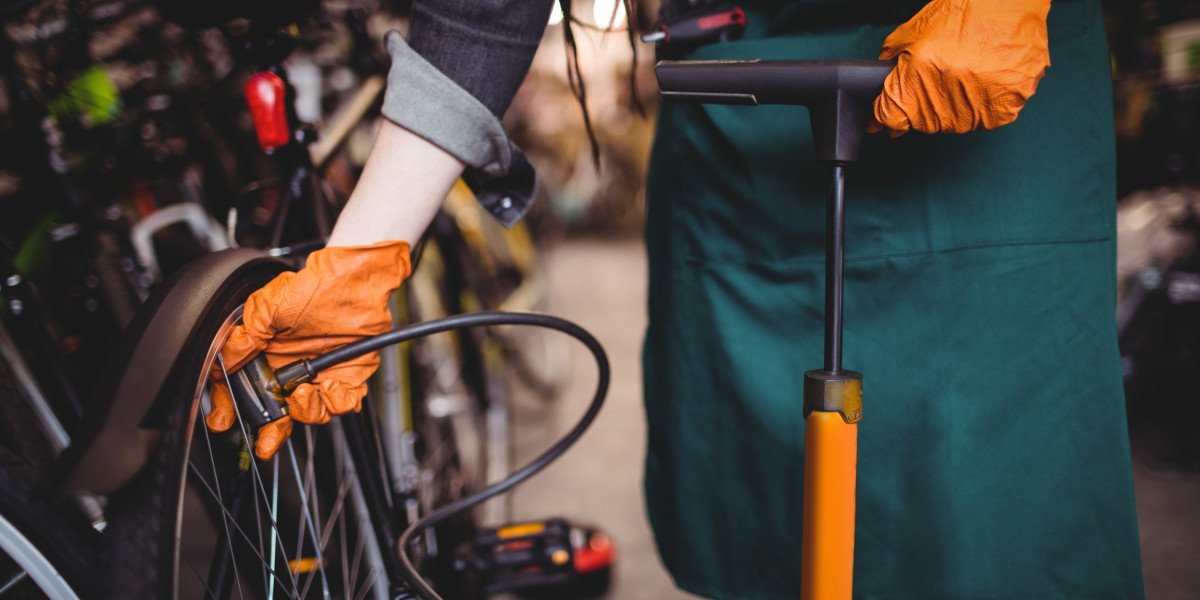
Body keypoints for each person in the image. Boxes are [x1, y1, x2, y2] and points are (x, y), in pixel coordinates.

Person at [207, 0, 1145, 597]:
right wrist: (365, 251)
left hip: (975, 96)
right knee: (761, 524)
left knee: (994, 529)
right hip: (731, 91)